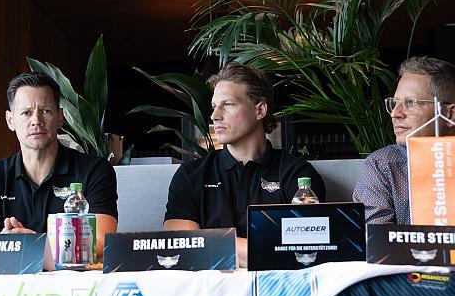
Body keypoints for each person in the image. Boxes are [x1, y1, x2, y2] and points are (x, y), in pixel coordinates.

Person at [163, 62, 326, 237]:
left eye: (228, 104)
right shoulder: (191, 175)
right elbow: (183, 246)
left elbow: (302, 245)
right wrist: (264, 245)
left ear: (260, 110)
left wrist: (209, 240)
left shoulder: (297, 174)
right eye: (214, 106)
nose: (214, 116)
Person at [0, 72, 117, 256]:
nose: (36, 121)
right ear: (10, 120)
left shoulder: (94, 171)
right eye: (26, 113)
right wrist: (5, 243)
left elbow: (101, 242)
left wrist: (33, 246)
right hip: (12, 282)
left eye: (45, 111)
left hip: (73, 281)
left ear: (60, 117)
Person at [354, 56, 455, 224]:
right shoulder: (382, 165)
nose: (395, 113)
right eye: (394, 103)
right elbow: (376, 240)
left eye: (411, 103)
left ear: (449, 114)